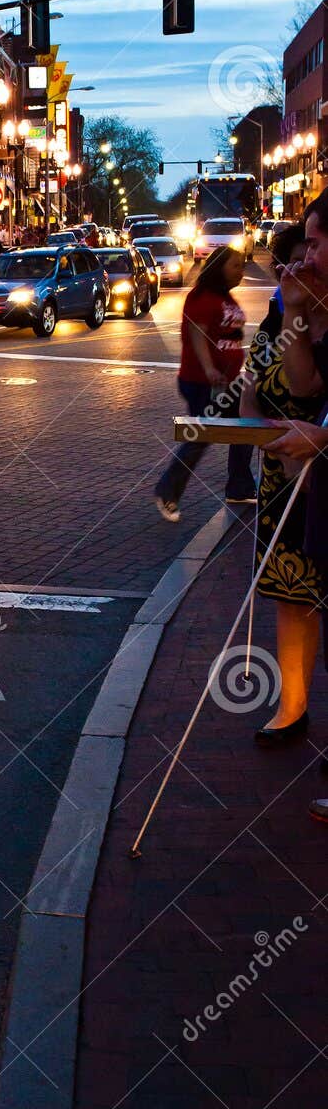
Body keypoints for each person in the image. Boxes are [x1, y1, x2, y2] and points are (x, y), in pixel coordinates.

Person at [237, 223, 323, 747]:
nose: (297, 271)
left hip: (320, 473)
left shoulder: (319, 328)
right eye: (291, 262)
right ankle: (292, 707)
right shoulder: (273, 323)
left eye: (309, 257)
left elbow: (303, 385)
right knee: (291, 596)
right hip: (279, 477)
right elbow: (251, 395)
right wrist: (261, 438)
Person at [260, 192, 328, 818]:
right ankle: (293, 704)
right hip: (297, 475)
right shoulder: (301, 308)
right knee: (296, 596)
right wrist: (294, 316)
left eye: (315, 242)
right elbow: (290, 383)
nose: (306, 255)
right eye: (303, 244)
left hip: (316, 462)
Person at [153, 246, 256, 521]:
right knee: (201, 436)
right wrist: (210, 368)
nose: (241, 271)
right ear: (219, 267)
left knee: (246, 428)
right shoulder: (201, 298)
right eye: (235, 265)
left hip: (228, 383)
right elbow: (197, 335)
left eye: (242, 265)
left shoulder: (225, 297)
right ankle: (167, 491)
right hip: (203, 383)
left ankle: (239, 486)